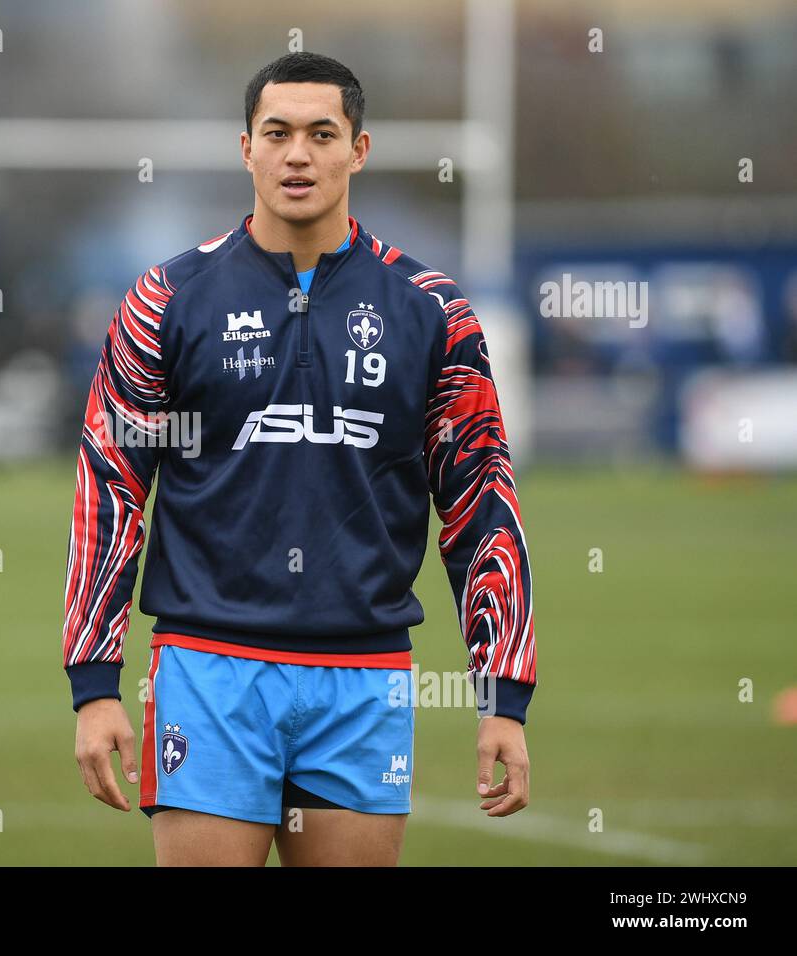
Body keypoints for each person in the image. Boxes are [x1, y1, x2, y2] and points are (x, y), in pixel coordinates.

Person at [63, 51, 535, 866]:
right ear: (245, 147)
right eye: (277, 133)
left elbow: (480, 500)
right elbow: (111, 487)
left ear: (360, 149)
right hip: (210, 669)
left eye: (323, 133)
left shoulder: (432, 311)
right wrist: (95, 684)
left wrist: (503, 696)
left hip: (363, 674)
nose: (298, 154)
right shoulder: (166, 300)